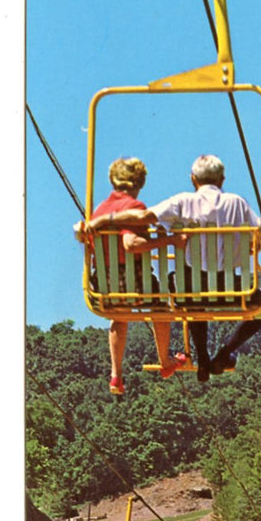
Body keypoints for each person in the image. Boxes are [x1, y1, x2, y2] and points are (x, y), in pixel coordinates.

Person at [84, 155, 261, 383]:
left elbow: (145, 216)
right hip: (234, 290)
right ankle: (226, 351)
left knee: (190, 292)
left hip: (189, 292)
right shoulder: (238, 203)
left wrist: (104, 220)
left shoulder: (182, 201)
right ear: (222, 180)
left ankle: (202, 357)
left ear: (193, 179)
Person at [81, 157, 187, 395]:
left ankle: (116, 375)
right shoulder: (134, 207)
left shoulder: (99, 210)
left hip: (105, 288)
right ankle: (165, 360)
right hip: (136, 284)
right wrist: (169, 240)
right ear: (139, 182)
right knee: (162, 308)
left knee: (119, 317)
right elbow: (130, 243)